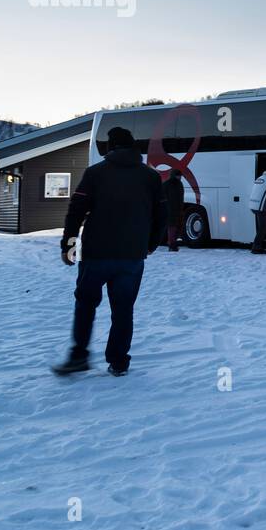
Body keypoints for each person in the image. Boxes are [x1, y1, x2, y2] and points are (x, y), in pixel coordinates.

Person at [52, 126, 166, 377]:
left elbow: (76, 211)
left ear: (110, 147)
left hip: (96, 254)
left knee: (85, 305)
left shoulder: (95, 174)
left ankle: (79, 356)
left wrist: (69, 245)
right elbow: (161, 216)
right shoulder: (151, 177)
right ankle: (118, 361)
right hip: (132, 257)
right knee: (123, 310)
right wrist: (150, 244)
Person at [163, 168, 184, 251]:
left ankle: (173, 243)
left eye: (180, 176)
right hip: (170, 208)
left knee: (177, 226)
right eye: (178, 176)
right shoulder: (168, 184)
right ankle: (172, 245)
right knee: (172, 227)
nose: (180, 177)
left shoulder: (178, 184)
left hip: (177, 208)